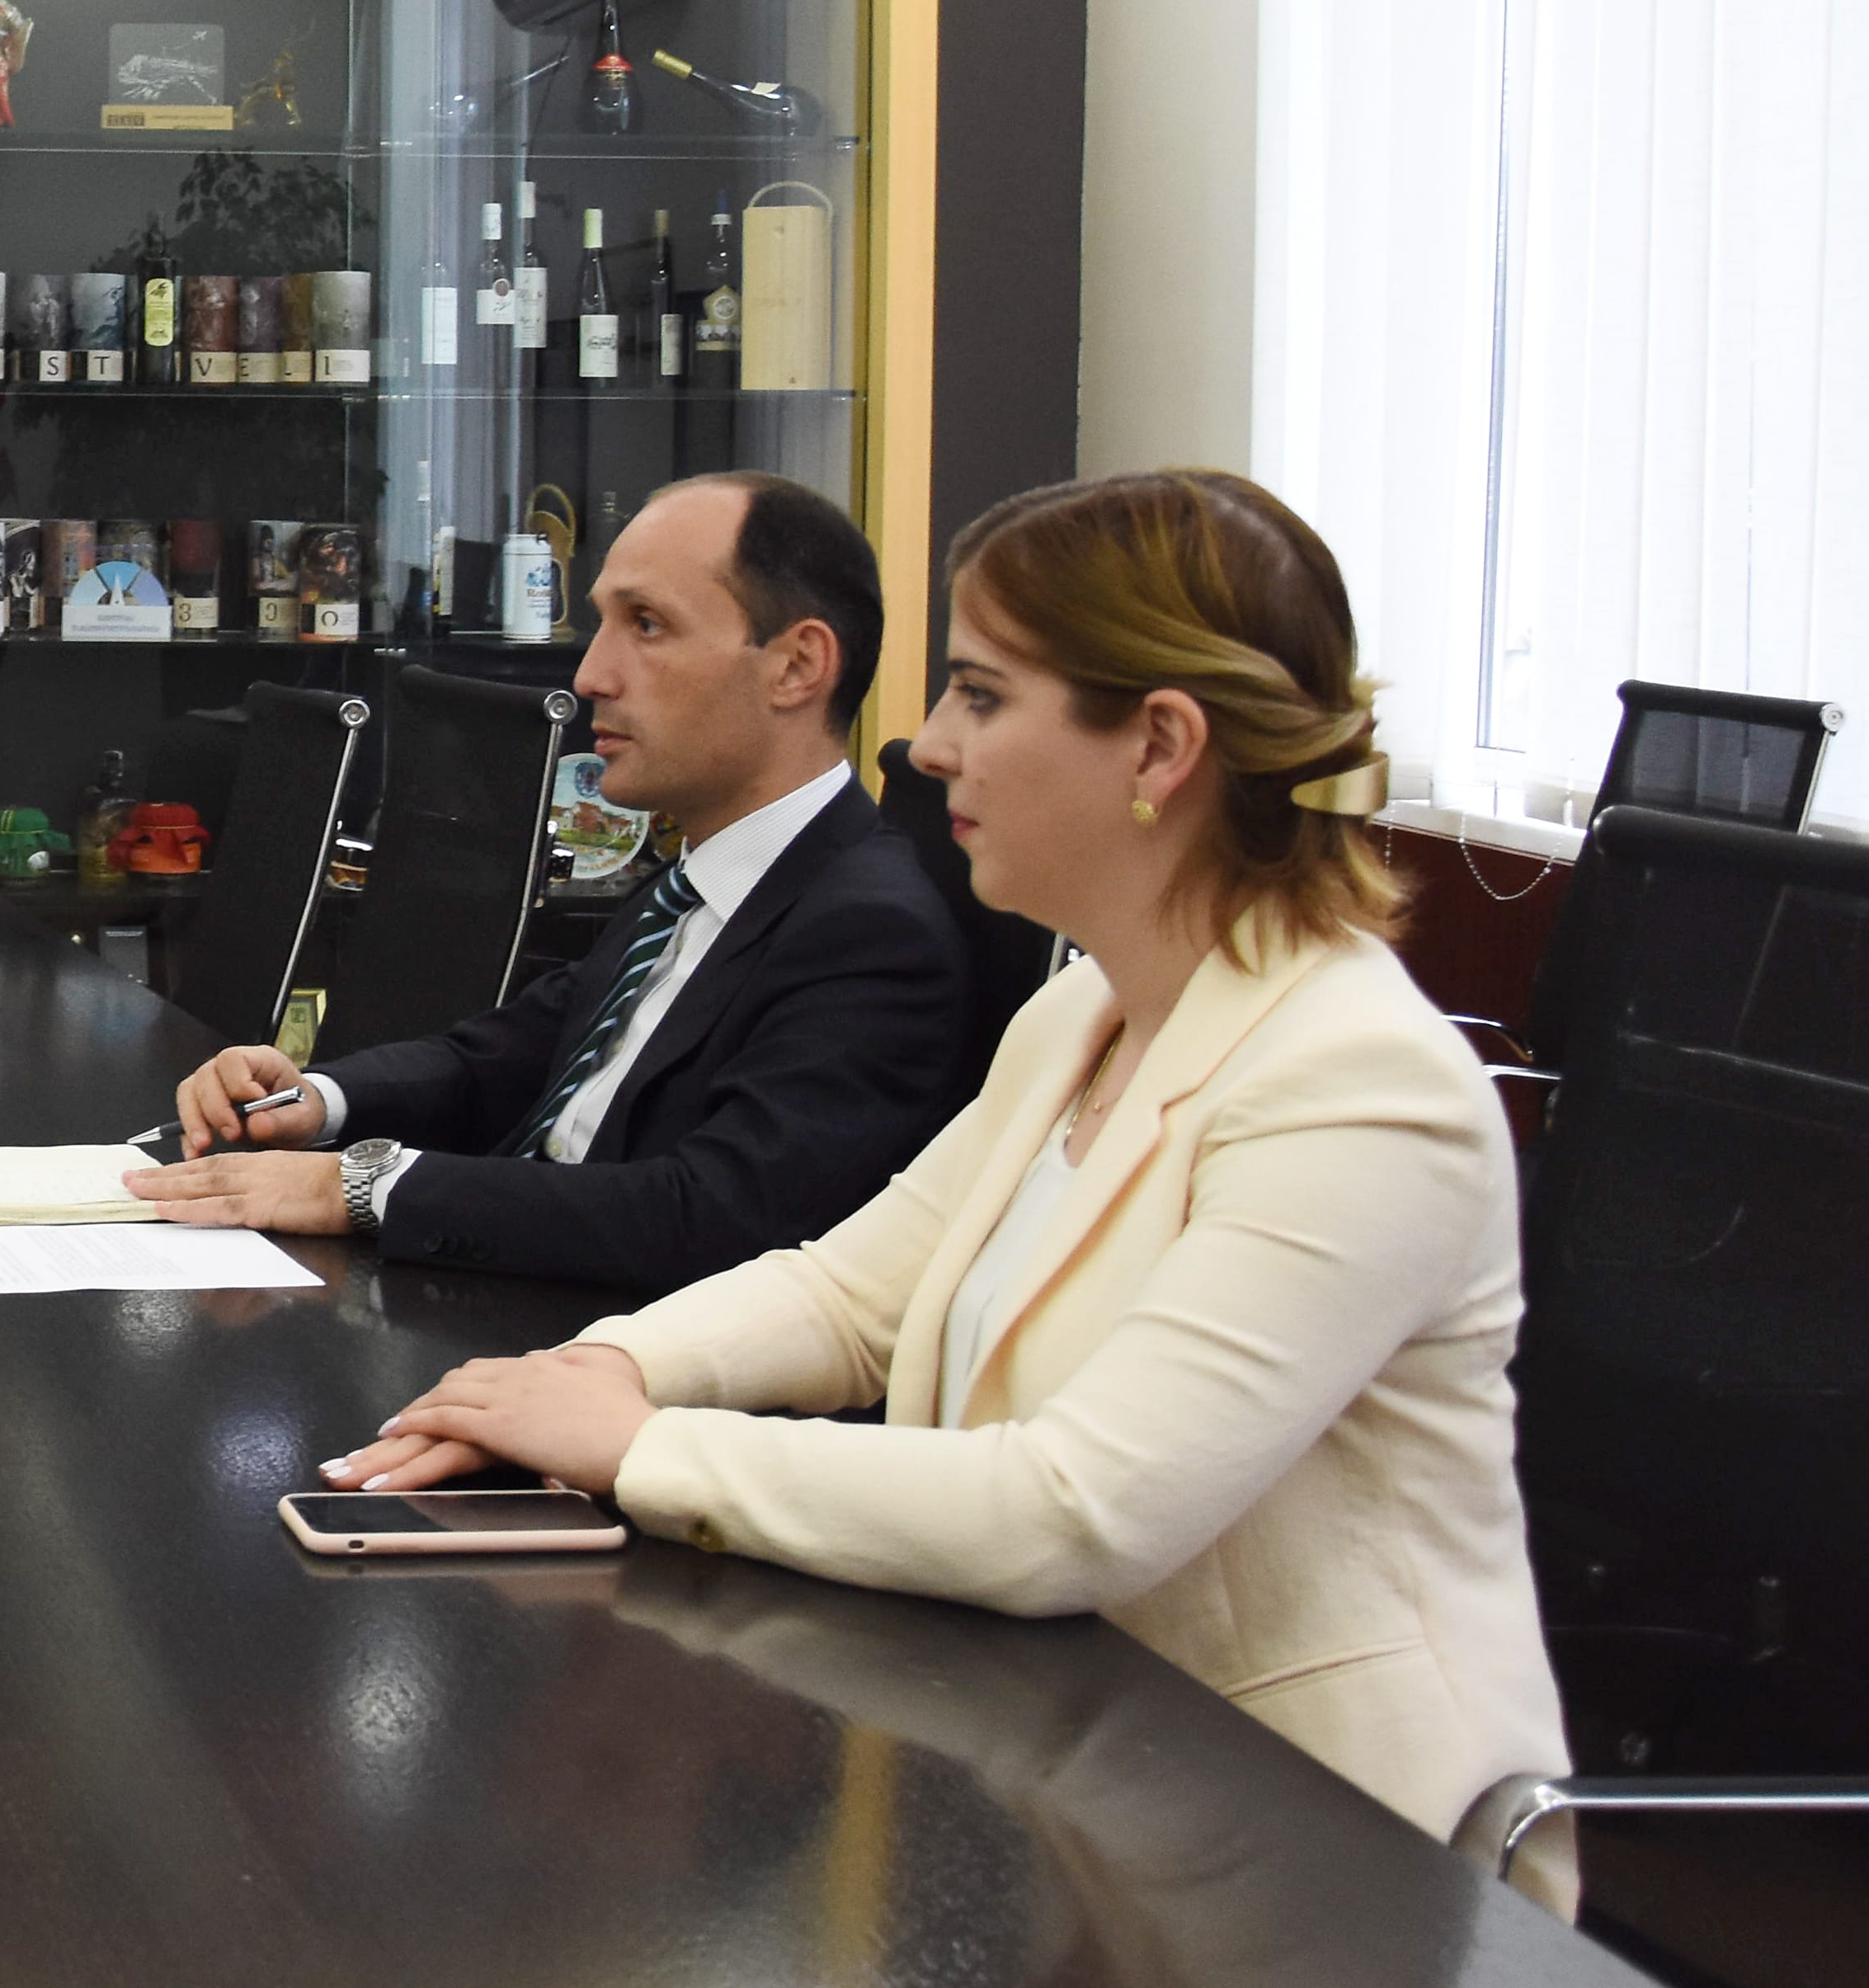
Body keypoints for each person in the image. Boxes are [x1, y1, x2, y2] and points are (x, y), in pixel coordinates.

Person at [329, 470, 1568, 1862]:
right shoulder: (1085, 1009)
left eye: (980, 694)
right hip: (1074, 1778)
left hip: (1328, 1850)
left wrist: (639, 1445)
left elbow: (1072, 1511)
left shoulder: (1358, 1087)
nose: (926, 747)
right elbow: (847, 1297)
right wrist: (594, 1370)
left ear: (1158, 745)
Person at [127, 473, 977, 1292]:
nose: (590, 675)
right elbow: (502, 1056)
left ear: (795, 665)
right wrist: (314, 1100)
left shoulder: (870, 932)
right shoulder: (692, 883)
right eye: (603, 622)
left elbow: (713, 1214)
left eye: (647, 624)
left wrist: (358, 1186)